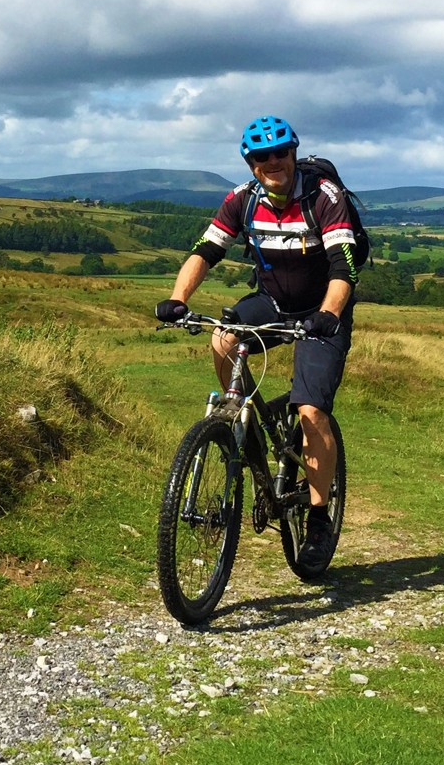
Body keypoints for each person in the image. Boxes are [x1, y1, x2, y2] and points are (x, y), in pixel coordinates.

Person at [155, 115, 362, 574]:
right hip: (272, 301)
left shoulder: (323, 198)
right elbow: (205, 251)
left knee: (310, 411)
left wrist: (328, 315)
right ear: (251, 164)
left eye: (281, 153)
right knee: (222, 337)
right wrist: (177, 299)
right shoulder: (243, 201)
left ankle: (317, 518)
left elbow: (343, 269)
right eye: (262, 157)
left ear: (293, 153)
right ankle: (242, 420)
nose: (273, 162)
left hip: (322, 309)